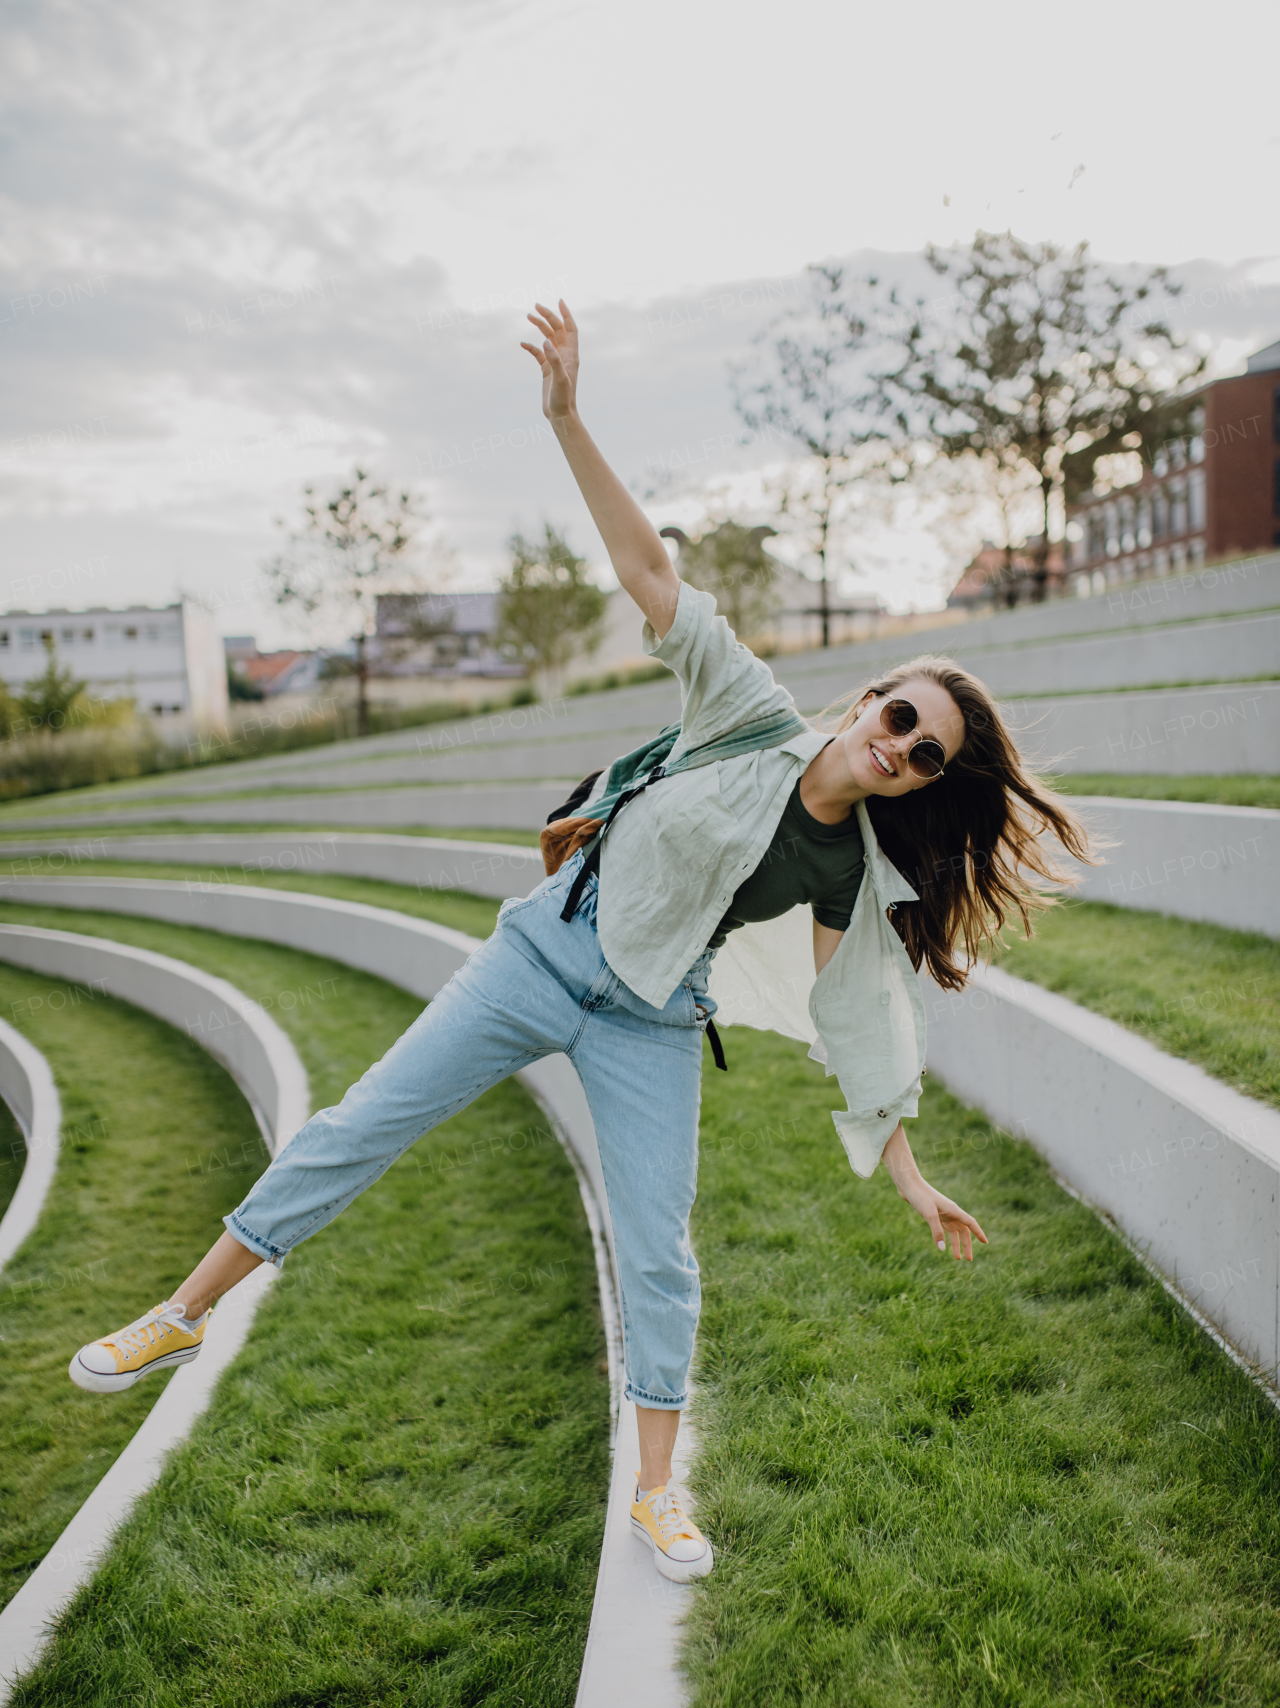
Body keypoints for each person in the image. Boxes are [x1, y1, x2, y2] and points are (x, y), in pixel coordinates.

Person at [68, 302, 1090, 1585]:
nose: (898, 746)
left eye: (923, 753)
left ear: (920, 779)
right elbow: (653, 575)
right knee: (359, 1126)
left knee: (659, 1250)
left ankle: (657, 1494)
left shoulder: (848, 868)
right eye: (899, 714)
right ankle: (182, 1312)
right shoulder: (745, 706)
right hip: (540, 954)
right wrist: (566, 420)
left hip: (650, 1019)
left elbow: (854, 1023)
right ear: (868, 697)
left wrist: (908, 1176)